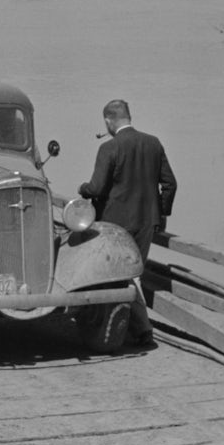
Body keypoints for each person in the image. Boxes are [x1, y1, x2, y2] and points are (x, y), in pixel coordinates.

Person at [79, 98, 177, 347]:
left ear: (108, 121)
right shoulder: (153, 143)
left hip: (116, 224)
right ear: (129, 116)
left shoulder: (109, 148)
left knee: (121, 276)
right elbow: (170, 184)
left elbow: (97, 187)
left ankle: (142, 330)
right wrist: (162, 213)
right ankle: (135, 328)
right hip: (147, 222)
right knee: (133, 273)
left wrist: (84, 189)